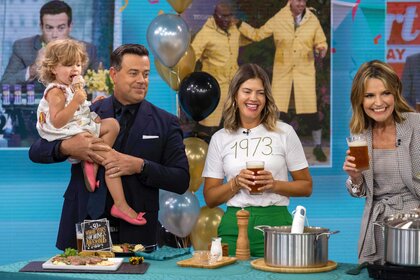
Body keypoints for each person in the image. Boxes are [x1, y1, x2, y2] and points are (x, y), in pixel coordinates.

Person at [29, 43, 189, 250]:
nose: (142, 81)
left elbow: (181, 179)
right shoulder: (86, 110)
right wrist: (67, 147)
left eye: (146, 74)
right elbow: (36, 151)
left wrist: (140, 166)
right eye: (133, 73)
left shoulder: (166, 122)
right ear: (114, 74)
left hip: (136, 232)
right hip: (84, 223)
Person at [202, 63, 312, 257]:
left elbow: (306, 187)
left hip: (277, 223)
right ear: (235, 95)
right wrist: (235, 184)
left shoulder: (284, 132)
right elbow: (210, 199)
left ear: (266, 97)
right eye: (247, 91)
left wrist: (274, 184)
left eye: (260, 93)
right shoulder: (220, 138)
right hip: (233, 226)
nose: (253, 98)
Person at [36, 38, 145, 226]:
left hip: (76, 126)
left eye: (78, 64)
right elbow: (58, 121)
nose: (75, 69)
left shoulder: (69, 89)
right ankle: (121, 205)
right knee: (112, 159)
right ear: (53, 68)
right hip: (65, 132)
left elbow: (76, 113)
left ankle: (92, 162)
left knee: (112, 125)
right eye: (68, 65)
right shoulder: (55, 91)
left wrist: (88, 105)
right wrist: (77, 101)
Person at [343, 60, 420, 264]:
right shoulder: (360, 134)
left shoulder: (416, 124)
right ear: (360, 100)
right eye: (369, 95)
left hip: (415, 225)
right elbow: (360, 192)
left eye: (385, 93)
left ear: (395, 93)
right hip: (377, 226)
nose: (378, 102)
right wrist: (355, 177)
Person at [236, 0, 329, 162]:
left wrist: (321, 48)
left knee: (311, 114)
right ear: (290, 1)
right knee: (279, 114)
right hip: (283, 73)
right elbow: (258, 34)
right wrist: (239, 24)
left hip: (303, 73)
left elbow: (320, 40)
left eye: (303, 1)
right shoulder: (279, 19)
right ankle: (276, 149)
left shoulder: (312, 19)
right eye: (298, 0)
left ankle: (318, 147)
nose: (301, 4)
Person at [1, 0, 98, 93]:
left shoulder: (87, 50)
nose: (54, 34)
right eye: (49, 28)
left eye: (61, 28)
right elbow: (4, 85)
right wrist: (34, 69)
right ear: (41, 27)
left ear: (70, 27)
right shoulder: (23, 47)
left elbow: (99, 88)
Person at [191, 1, 249, 135]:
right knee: (207, 124)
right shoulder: (206, 33)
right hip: (214, 86)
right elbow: (192, 55)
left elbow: (252, 37)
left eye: (229, 16)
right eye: (222, 16)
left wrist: (241, 24)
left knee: (233, 123)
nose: (226, 19)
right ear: (215, 15)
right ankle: (201, 148)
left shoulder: (234, 30)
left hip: (234, 84)